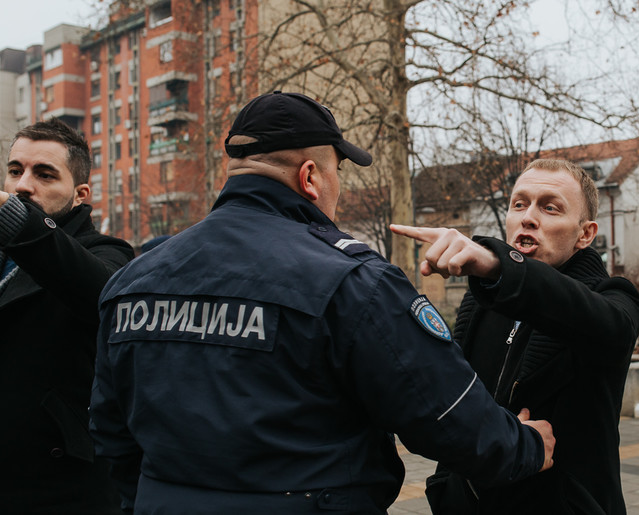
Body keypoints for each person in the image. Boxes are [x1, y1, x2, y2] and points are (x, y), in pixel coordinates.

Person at [89, 91, 555, 514]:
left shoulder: (137, 276)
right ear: (311, 177)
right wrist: (525, 446)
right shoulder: (354, 281)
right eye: (338, 175)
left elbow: (110, 433)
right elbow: (450, 420)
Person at [391, 158, 639, 514]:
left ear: (585, 233)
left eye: (550, 208)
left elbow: (604, 324)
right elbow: (446, 396)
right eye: (519, 204)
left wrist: (497, 264)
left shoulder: (614, 299)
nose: (528, 217)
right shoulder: (481, 304)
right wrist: (451, 484)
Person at [0, 118, 133, 513]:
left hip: (61, 486)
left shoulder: (108, 252)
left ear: (79, 194)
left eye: (44, 174)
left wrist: (16, 220)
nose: (23, 185)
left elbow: (96, 290)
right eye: (14, 171)